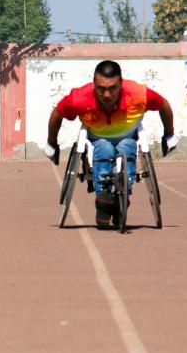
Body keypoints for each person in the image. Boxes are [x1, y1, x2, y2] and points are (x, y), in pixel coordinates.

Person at [44, 60, 178, 229]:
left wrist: (169, 134)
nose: (106, 95)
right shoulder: (80, 97)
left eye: (112, 88)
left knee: (127, 146)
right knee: (104, 148)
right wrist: (52, 143)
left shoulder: (137, 93)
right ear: (94, 84)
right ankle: (103, 198)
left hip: (128, 135)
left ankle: (124, 194)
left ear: (121, 83)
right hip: (98, 137)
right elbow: (57, 114)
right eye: (101, 89)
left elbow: (163, 105)